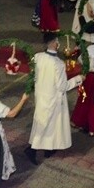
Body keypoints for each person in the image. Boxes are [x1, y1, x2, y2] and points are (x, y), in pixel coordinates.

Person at [26, 33, 84, 164]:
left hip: (41, 96)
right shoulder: (58, 64)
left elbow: (33, 76)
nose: (59, 44)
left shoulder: (37, 57)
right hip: (53, 99)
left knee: (46, 123)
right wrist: (78, 79)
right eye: (57, 41)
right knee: (45, 125)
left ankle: (48, 148)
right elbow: (63, 86)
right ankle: (31, 150)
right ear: (53, 43)